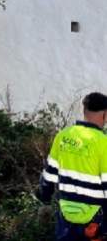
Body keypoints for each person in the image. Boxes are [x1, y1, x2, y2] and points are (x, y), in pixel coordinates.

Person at [39, 92, 107, 241]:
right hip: (95, 221)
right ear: (105, 115)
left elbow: (49, 175)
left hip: (66, 216)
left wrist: (45, 200)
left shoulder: (63, 136)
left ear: (84, 111)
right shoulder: (103, 143)